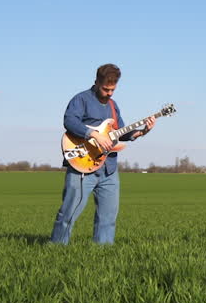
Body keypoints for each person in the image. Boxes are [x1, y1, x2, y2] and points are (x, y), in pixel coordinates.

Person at [50, 64, 156, 245]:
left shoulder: (114, 106)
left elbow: (121, 132)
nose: (109, 93)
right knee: (69, 212)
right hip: (83, 165)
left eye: (113, 89)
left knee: (108, 217)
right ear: (96, 82)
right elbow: (69, 120)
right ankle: (57, 248)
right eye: (106, 89)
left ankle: (103, 252)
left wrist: (141, 132)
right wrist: (93, 134)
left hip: (109, 169)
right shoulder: (81, 99)